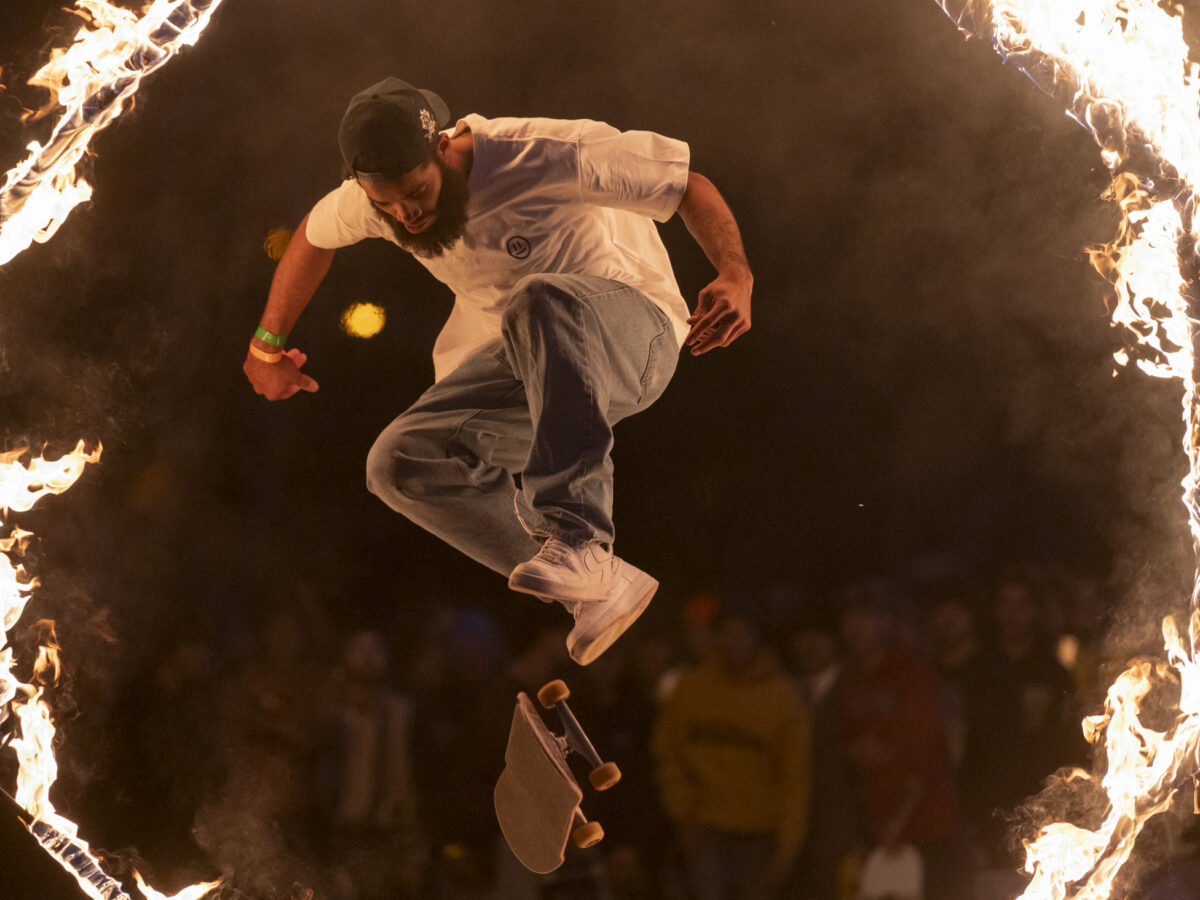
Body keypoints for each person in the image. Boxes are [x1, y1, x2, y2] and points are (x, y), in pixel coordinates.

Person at [243, 78, 753, 666]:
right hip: (537, 372)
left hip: (637, 334)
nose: (406, 215)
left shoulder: (541, 152)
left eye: (416, 192)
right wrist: (266, 344)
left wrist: (734, 273)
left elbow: (685, 183)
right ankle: (599, 587)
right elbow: (311, 233)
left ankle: (581, 537)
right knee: (397, 463)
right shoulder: (373, 203)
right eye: (385, 204)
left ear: (444, 149)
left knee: (539, 298)